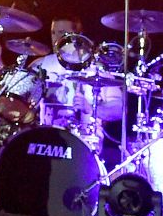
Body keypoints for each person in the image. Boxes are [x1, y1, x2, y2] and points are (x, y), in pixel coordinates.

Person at [33, 16, 123, 150]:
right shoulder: (42, 64)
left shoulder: (97, 69)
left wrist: (91, 108)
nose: (56, 38)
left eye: (62, 33)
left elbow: (118, 110)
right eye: (53, 32)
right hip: (46, 143)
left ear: (77, 36)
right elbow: (15, 93)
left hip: (85, 146)